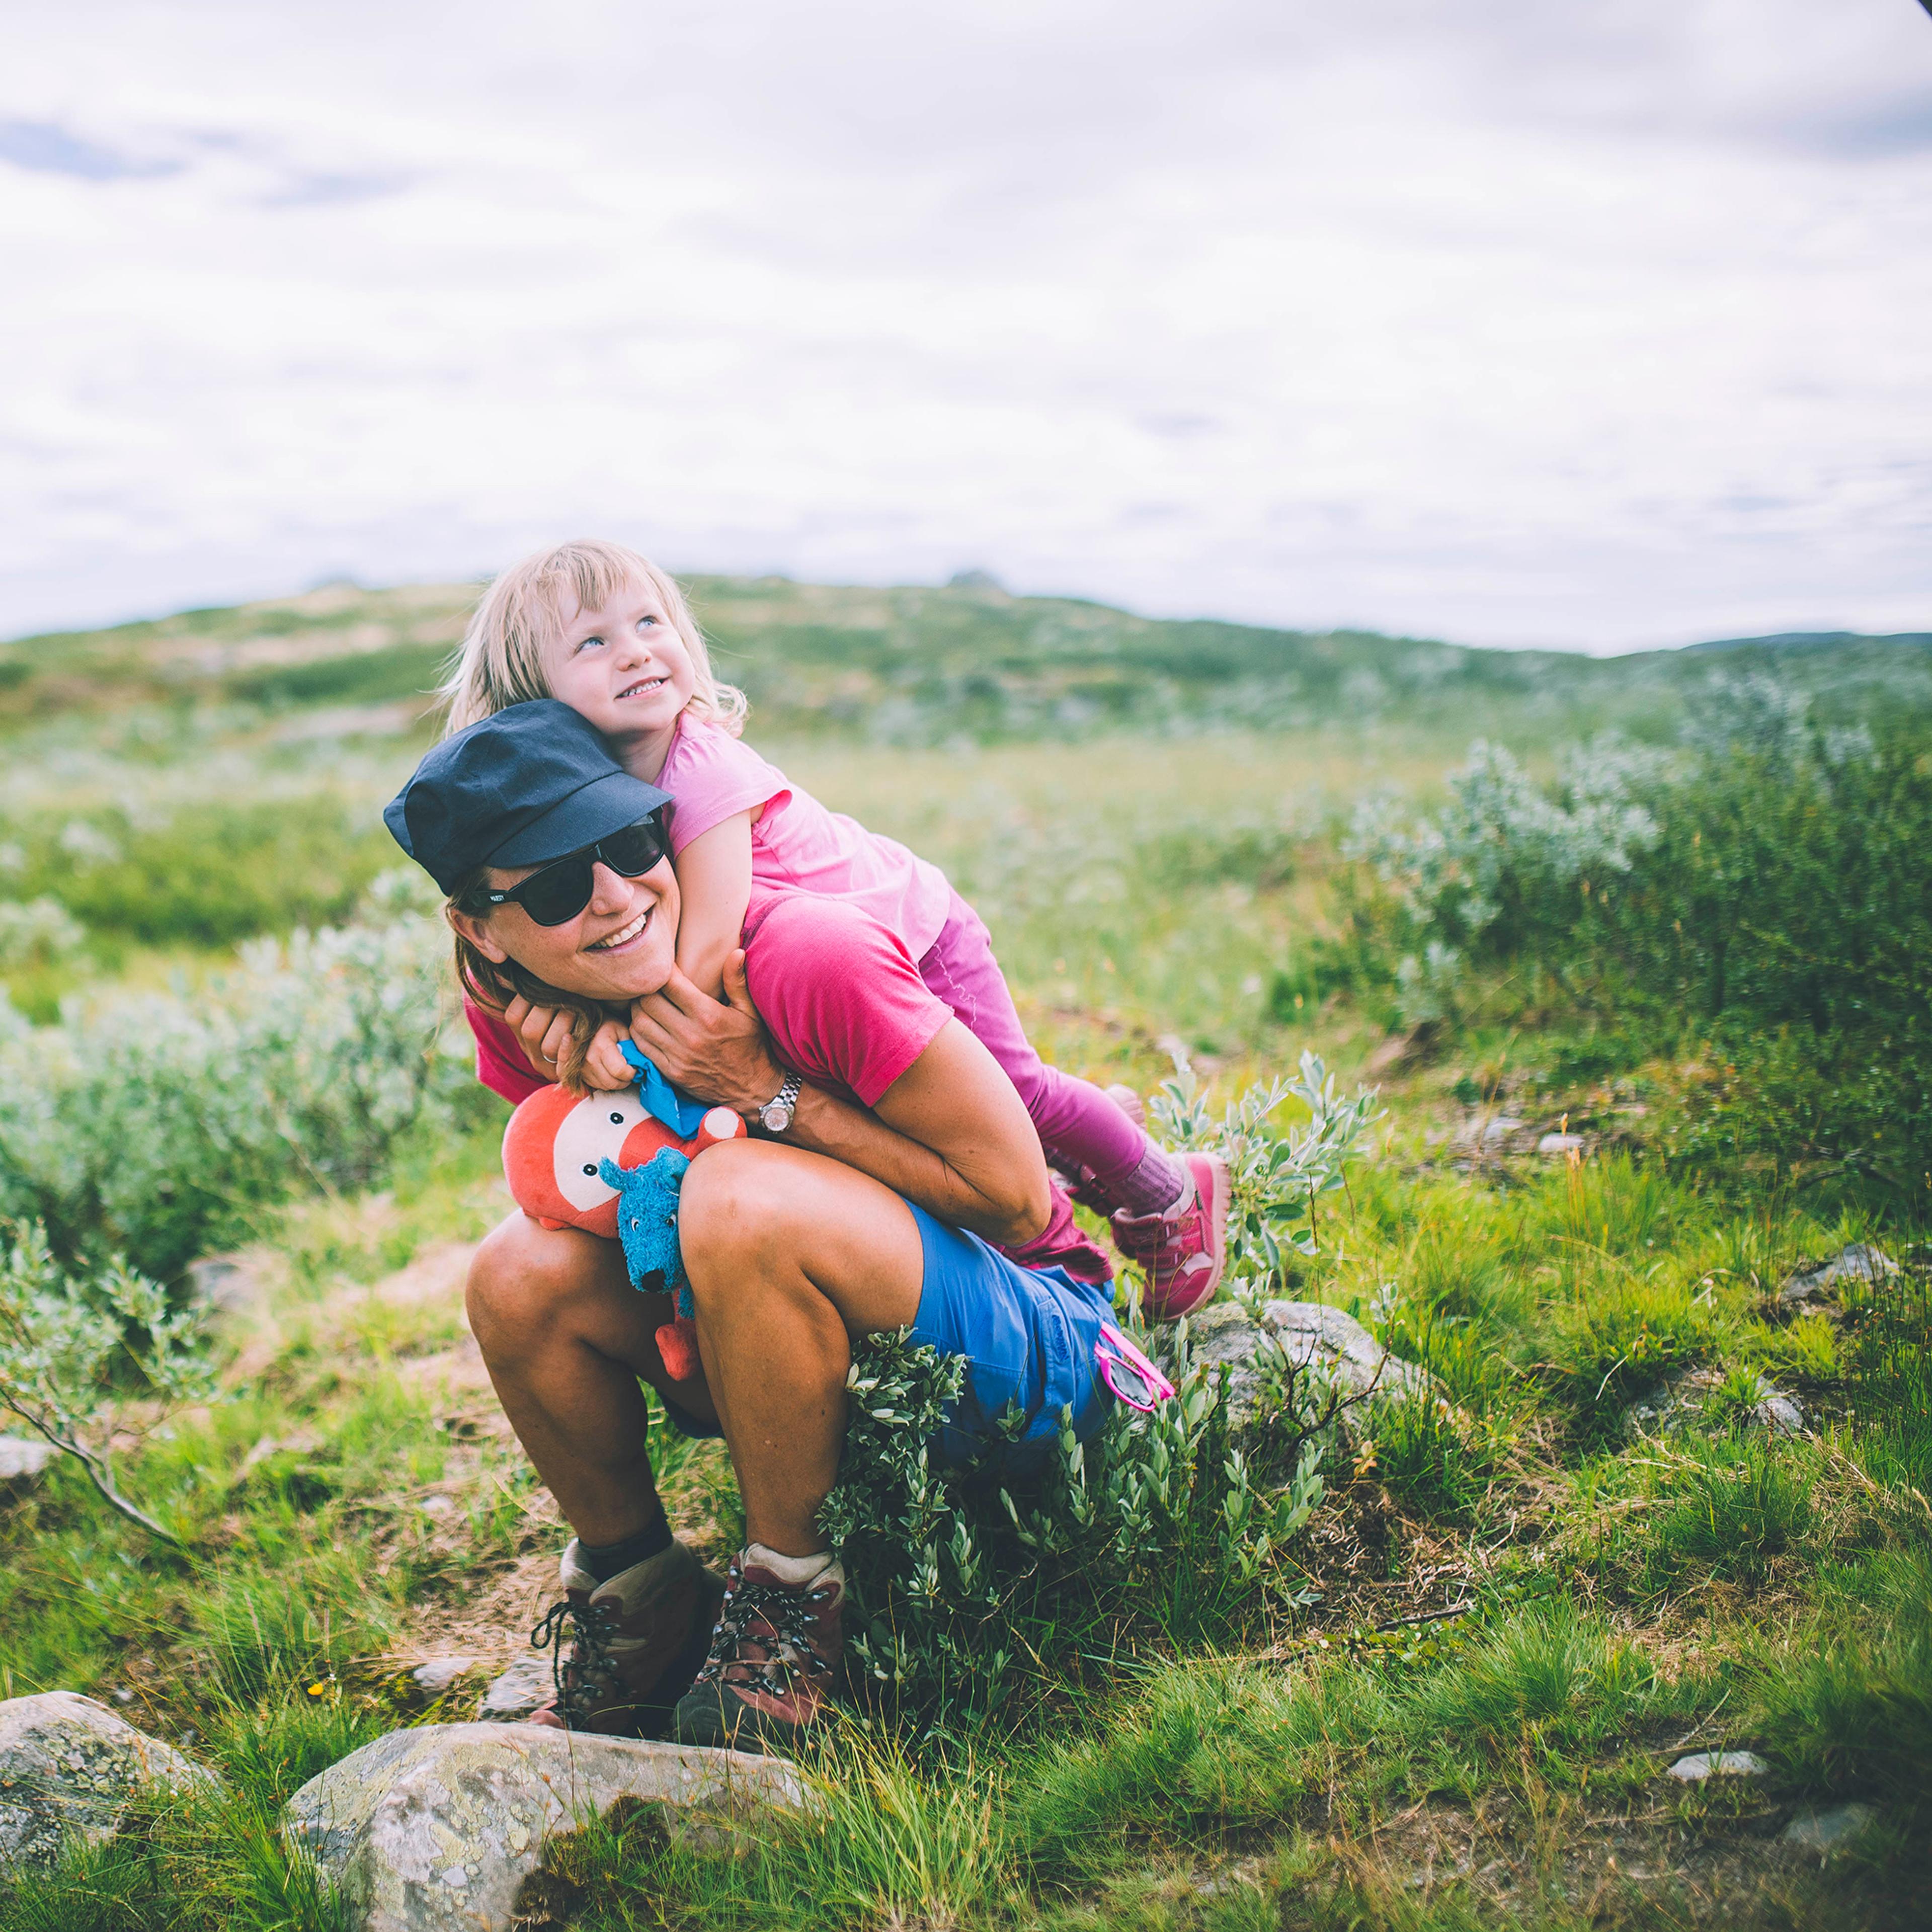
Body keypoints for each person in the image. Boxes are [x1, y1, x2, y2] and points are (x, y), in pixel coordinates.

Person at [382, 701, 1169, 1752]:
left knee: (740, 1200)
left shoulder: (803, 955)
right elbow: (617, 1196)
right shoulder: (531, 1007)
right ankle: (643, 1596)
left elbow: (1021, 1200)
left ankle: (792, 1601)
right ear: (481, 927)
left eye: (626, 840)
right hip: (797, 1344)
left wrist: (769, 1091)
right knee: (516, 1274)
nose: (618, 896)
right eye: (562, 886)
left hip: (1044, 1342)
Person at [439, 537, 1227, 1318]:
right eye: (593, 642)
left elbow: (703, 962)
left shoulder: (699, 768)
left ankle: (1167, 1192)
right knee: (925, 1107)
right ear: (530, 697)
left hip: (912, 935)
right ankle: (1091, 1144)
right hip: (828, 971)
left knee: (1017, 1099)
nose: (636, 653)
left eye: (651, 623)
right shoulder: (593, 796)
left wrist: (603, 1037)